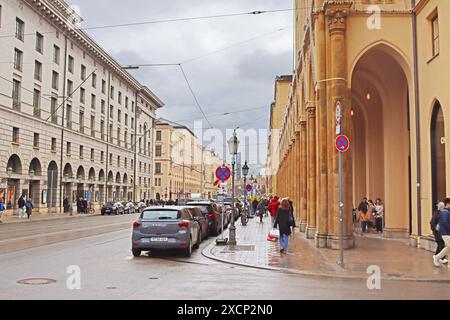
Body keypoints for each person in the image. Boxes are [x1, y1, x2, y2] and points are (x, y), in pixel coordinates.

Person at [433, 198, 450, 268]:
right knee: (449, 247)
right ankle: (437, 257)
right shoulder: (445, 212)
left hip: (445, 233)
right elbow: (445, 223)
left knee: (448, 247)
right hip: (446, 233)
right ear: (448, 204)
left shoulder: (444, 212)